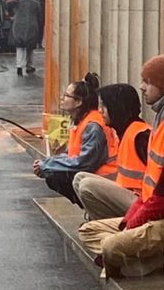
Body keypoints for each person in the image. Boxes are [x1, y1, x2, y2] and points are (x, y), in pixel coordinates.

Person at [78, 53, 164, 278]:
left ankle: (135, 260)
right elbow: (152, 189)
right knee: (88, 231)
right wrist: (130, 222)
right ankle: (135, 259)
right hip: (161, 214)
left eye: (148, 82)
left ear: (162, 84)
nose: (142, 87)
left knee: (110, 246)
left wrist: (133, 224)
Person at [32, 72, 117, 203]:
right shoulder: (82, 121)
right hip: (95, 175)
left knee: (55, 175)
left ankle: (95, 209)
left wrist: (47, 165)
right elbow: (71, 154)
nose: (62, 98)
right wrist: (47, 163)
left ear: (78, 102)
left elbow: (83, 162)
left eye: (66, 95)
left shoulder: (92, 126)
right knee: (53, 173)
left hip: (106, 178)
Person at [72, 82, 149, 221]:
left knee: (87, 185)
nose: (100, 111)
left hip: (142, 201)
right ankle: (104, 223)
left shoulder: (141, 135)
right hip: (129, 194)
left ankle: (108, 226)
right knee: (79, 178)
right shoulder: (124, 132)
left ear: (116, 107)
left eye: (104, 106)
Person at [12, 0, 43, 76]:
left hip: (19, 25)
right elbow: (40, 17)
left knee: (19, 47)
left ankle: (19, 66)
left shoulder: (19, 1)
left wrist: (12, 13)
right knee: (30, 48)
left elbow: (8, 4)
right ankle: (29, 66)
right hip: (32, 26)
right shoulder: (36, 3)